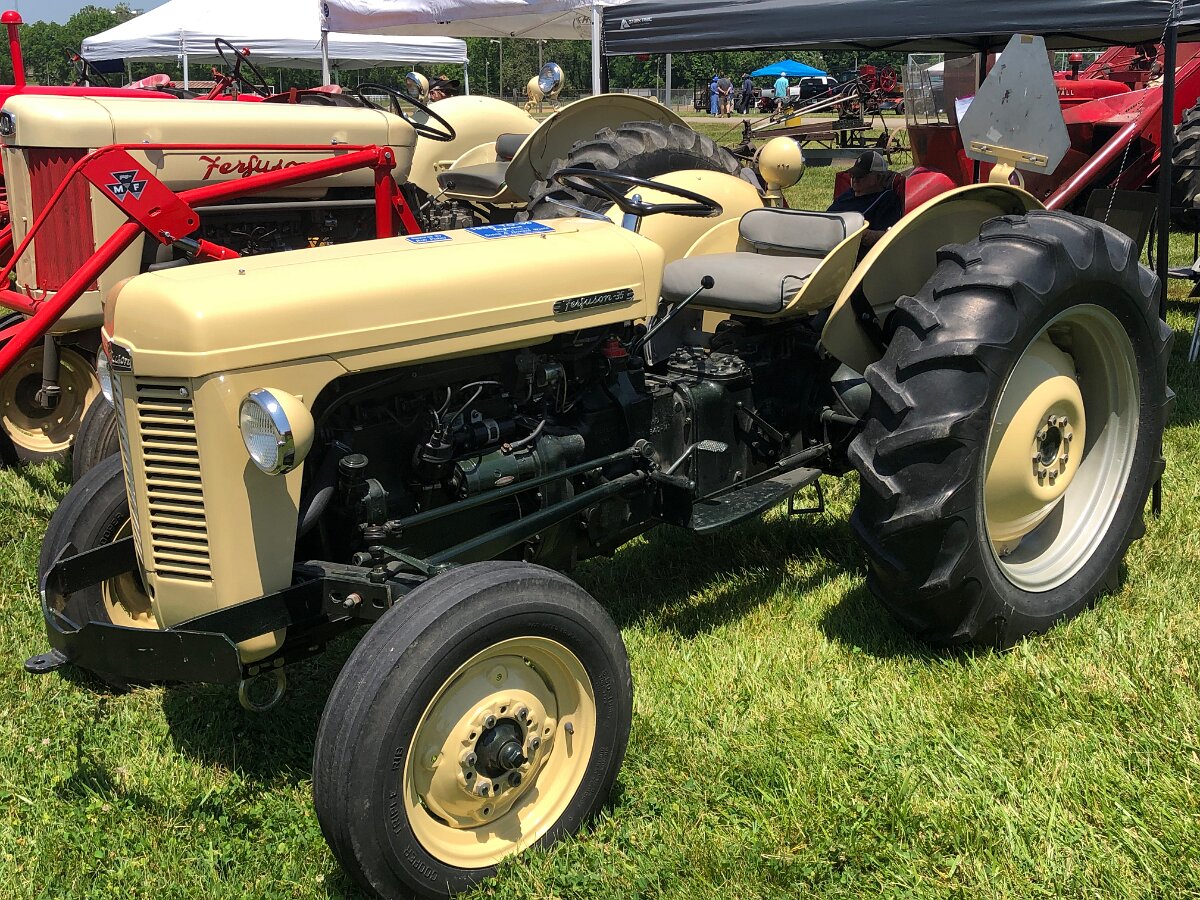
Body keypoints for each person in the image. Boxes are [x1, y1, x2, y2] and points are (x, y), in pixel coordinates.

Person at [827, 150, 903, 248]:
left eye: (860, 175)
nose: (855, 179)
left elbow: (888, 235)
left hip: (851, 249)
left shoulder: (886, 199)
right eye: (853, 175)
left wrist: (870, 235)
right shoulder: (847, 194)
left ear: (879, 177)